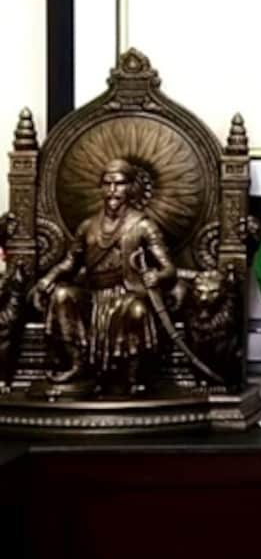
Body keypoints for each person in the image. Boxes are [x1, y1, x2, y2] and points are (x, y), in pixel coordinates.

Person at [31, 158, 176, 390]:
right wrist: (48, 278)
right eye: (107, 184)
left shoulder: (143, 226)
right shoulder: (88, 226)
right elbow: (70, 262)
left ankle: (133, 376)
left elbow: (169, 268)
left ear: (131, 188)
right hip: (94, 294)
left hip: (126, 293)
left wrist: (157, 276)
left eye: (119, 184)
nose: (112, 190)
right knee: (62, 295)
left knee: (137, 311)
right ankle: (77, 364)